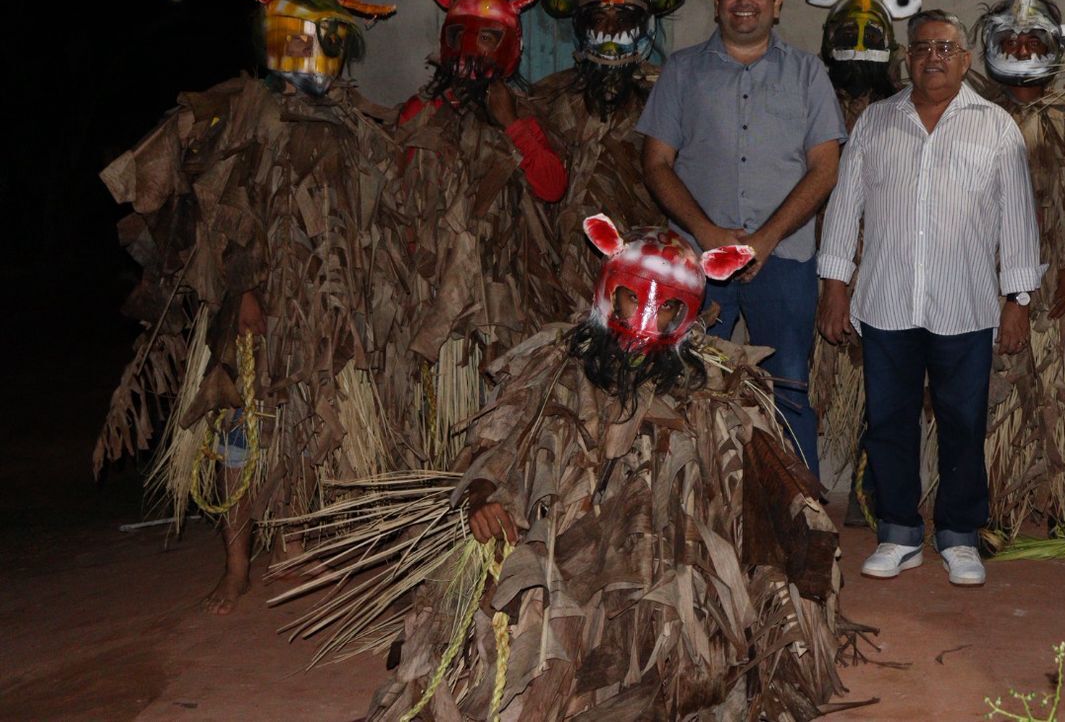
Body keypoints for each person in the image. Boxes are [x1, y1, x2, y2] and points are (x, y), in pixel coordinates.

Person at [276, 217, 848, 719]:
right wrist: (485, 493)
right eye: (631, 297)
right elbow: (502, 437)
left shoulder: (713, 391)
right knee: (526, 621)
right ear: (608, 292)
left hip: (667, 566)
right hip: (565, 546)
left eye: (667, 305)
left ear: (689, 311)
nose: (645, 317)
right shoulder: (557, 369)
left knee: (677, 650)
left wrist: (797, 525)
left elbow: (764, 474)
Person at [95, 0, 400, 615]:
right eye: (291, 39)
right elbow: (223, 210)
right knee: (237, 428)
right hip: (249, 306)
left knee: (320, 425)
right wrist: (246, 290)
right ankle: (236, 564)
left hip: (330, 311)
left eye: (319, 39)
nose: (305, 53)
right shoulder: (246, 115)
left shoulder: (355, 127)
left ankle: (296, 545)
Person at [817, 9, 1040, 588]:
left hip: (964, 305)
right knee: (889, 422)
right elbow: (845, 208)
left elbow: (1018, 219)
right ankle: (898, 532)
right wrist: (835, 284)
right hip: (887, 302)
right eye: (921, 48)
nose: (932, 57)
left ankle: (959, 535)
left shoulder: (995, 127)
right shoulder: (875, 125)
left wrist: (1017, 297)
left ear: (965, 59)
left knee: (963, 422)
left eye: (945, 47)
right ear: (907, 59)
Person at [637, 0, 846, 474]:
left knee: (789, 387)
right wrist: (706, 232)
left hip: (784, 260)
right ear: (717, 1)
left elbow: (824, 167)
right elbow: (657, 162)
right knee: (682, 384)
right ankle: (688, 511)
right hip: (695, 264)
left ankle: (803, 518)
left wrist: (767, 237)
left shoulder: (807, 75)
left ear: (777, 3)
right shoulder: (682, 73)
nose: (745, 1)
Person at [389, 0, 570, 464]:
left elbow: (551, 187)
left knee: (493, 427)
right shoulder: (417, 112)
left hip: (503, 300)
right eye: (460, 37)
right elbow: (395, 199)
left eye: (489, 38)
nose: (472, 52)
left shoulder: (530, 115)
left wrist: (512, 124)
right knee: (434, 424)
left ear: (510, 47)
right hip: (434, 293)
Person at [967, 0, 1065, 547]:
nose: (1023, 49)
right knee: (994, 390)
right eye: (1012, 40)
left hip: (1061, 280)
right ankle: (996, 504)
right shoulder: (972, 118)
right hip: (989, 282)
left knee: (1059, 391)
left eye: (1034, 40)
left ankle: (1057, 500)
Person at [801, 0, 916, 523]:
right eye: (851, 36)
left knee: (892, 380)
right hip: (825, 262)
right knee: (826, 377)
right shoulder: (812, 105)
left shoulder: (905, 112)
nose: (862, 50)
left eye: (874, 39)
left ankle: (878, 487)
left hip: (892, 265)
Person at [526, 0, 684, 316]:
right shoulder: (549, 97)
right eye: (600, 19)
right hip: (560, 255)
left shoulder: (669, 94)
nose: (610, 31)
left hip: (645, 261)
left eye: (622, 20)